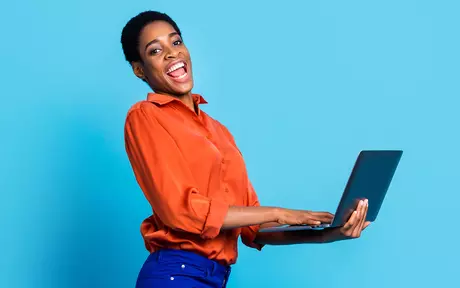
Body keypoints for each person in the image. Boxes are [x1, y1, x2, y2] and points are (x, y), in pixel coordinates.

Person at [121, 10, 371, 288]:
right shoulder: (145, 116)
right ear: (139, 69)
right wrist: (279, 212)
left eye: (176, 42)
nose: (171, 53)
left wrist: (329, 232)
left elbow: (254, 228)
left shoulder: (219, 132)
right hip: (175, 274)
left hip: (214, 278)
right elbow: (181, 212)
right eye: (155, 50)